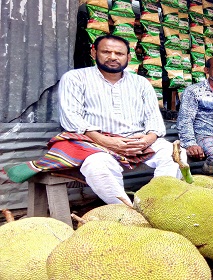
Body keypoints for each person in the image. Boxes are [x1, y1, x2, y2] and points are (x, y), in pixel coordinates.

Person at [56, 34, 185, 205]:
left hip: (137, 139)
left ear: (128, 57)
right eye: (106, 52)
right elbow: (71, 117)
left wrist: (149, 138)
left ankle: (157, 203)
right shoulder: (75, 78)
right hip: (95, 141)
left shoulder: (141, 83)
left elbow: (154, 118)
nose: (112, 57)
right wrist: (105, 141)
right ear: (94, 52)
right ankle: (126, 210)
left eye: (119, 54)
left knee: (176, 154)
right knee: (96, 166)